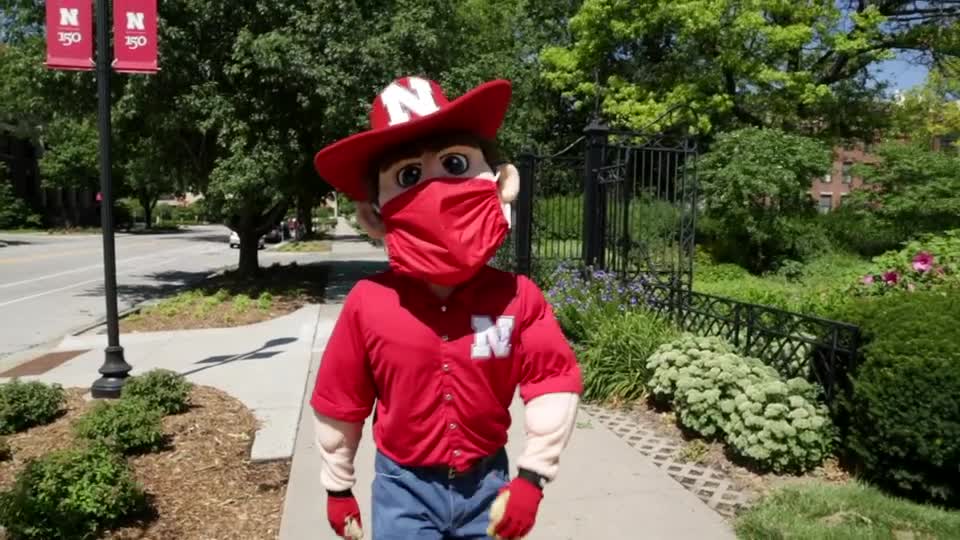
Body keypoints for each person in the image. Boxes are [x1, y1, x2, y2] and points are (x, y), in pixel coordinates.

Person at [310, 75, 583, 540]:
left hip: (488, 484)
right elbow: (342, 397)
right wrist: (338, 486)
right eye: (408, 176)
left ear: (500, 183)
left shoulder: (518, 298)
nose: (436, 192)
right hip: (403, 489)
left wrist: (533, 477)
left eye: (454, 165)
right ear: (374, 216)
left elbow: (552, 379)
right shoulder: (367, 303)